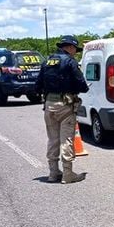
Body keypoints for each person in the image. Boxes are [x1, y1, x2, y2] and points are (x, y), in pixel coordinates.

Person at [35, 35, 89, 184]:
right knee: (67, 139)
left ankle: (53, 173)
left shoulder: (47, 61)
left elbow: (37, 85)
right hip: (65, 105)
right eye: (75, 50)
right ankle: (67, 173)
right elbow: (81, 84)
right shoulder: (69, 62)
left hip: (48, 105)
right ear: (70, 47)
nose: (75, 52)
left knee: (53, 139)